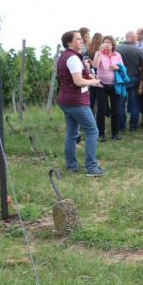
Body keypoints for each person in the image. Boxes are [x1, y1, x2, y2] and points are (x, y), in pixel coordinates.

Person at [57, 30, 104, 176]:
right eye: (77, 39)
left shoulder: (65, 56)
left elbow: (73, 77)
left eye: (81, 39)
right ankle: (91, 168)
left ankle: (71, 166)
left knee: (72, 133)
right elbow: (78, 81)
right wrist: (93, 81)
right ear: (68, 42)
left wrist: (87, 74)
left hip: (66, 100)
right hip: (76, 101)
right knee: (92, 131)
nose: (81, 41)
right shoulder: (72, 58)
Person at [92, 35, 123, 142]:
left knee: (116, 109)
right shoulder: (99, 53)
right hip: (101, 85)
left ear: (113, 44)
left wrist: (116, 67)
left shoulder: (117, 54)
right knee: (101, 109)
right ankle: (101, 134)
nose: (107, 44)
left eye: (109, 42)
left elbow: (122, 67)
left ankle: (115, 133)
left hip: (115, 84)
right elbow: (95, 66)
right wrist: (99, 52)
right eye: (105, 42)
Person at [117, 31, 143, 132]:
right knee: (135, 103)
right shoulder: (138, 50)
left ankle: (121, 126)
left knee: (120, 103)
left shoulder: (118, 48)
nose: (137, 40)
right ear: (132, 38)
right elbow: (142, 66)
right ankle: (133, 126)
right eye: (136, 38)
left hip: (121, 78)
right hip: (134, 78)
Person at [87, 32, 103, 115]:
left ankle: (90, 118)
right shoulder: (103, 51)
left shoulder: (89, 49)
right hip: (101, 75)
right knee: (100, 99)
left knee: (91, 99)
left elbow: (86, 62)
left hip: (91, 75)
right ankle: (96, 120)